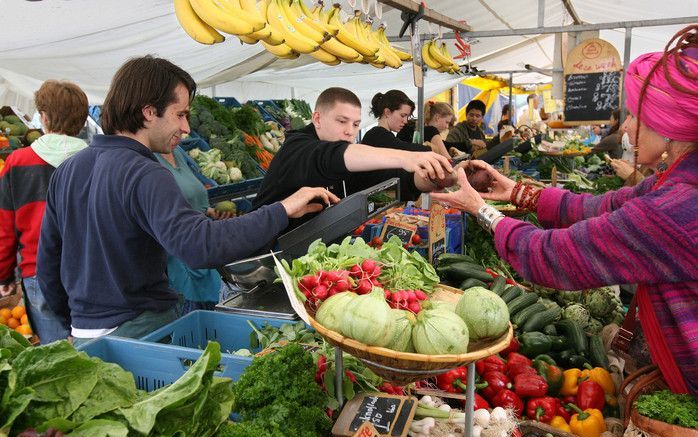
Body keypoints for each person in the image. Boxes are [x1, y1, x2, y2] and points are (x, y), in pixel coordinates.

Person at [431, 26, 698, 395]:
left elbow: (554, 256)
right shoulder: (676, 184)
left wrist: (482, 211)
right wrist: (519, 193)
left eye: (636, 117)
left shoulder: (675, 209)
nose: (626, 128)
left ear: (668, 127)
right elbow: (600, 205)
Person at [37, 56, 337, 345]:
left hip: (85, 335)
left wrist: (74, 324)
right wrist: (283, 209)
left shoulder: (68, 170)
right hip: (144, 333)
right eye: (180, 114)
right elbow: (200, 245)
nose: (186, 128)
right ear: (148, 112)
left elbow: (48, 262)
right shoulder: (146, 174)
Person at [251, 87, 454, 233]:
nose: (350, 131)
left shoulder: (346, 153)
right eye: (342, 121)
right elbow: (331, 156)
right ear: (317, 119)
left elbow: (382, 181)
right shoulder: (298, 147)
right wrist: (407, 156)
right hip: (266, 254)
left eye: (356, 124)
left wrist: (433, 177)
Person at [0, 80, 89, 344]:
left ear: (45, 117)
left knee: (57, 356)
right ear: (82, 120)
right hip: (88, 270)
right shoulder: (94, 160)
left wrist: (4, 275)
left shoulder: (17, 162)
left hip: (37, 271)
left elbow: (4, 227)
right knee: (93, 350)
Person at [155, 144, 233, 315]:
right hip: (181, 258)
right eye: (179, 116)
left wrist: (210, 211)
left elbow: (190, 196)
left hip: (202, 249)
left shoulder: (177, 152)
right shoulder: (149, 160)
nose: (185, 129)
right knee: (195, 317)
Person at [362, 90, 428, 153]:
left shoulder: (378, 134)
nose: (405, 121)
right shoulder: (378, 135)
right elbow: (405, 148)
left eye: (407, 117)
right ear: (387, 112)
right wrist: (429, 147)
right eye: (402, 115)